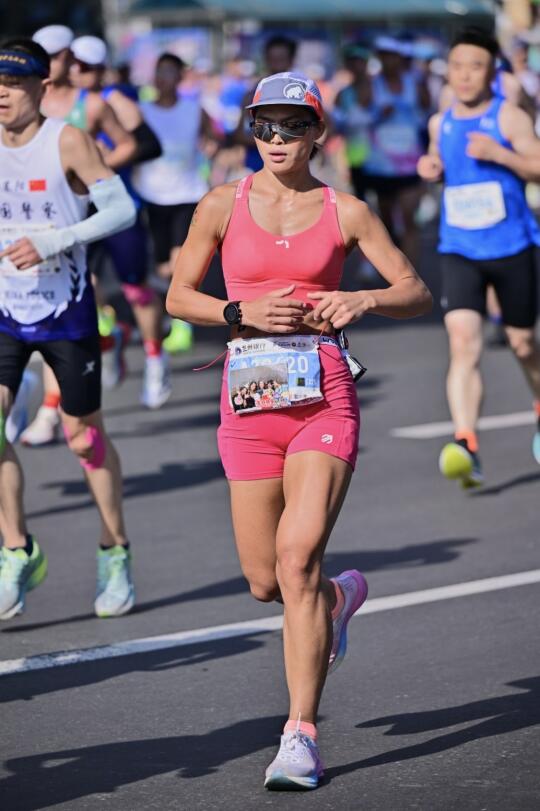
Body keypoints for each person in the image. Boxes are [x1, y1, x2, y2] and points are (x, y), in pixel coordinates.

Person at [166, 71, 431, 790]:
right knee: (266, 581)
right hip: (249, 403)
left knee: (297, 557)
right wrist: (237, 312)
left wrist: (363, 299)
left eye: (292, 125)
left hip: (323, 397)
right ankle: (336, 602)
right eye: (264, 125)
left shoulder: (347, 211)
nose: (276, 138)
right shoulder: (222, 204)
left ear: (318, 133)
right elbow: (178, 296)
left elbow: (415, 290)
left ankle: (300, 735)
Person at [0, 38, 136, 619]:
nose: (2, 94)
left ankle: (115, 549)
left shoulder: (68, 140)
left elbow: (122, 210)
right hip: (5, 309)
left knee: (84, 439)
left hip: (65, 309)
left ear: (43, 86)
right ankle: (17, 550)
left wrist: (56, 239)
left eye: (13, 84)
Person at [417, 26, 540, 487]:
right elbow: (437, 159)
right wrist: (431, 167)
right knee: (462, 341)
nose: (465, 75)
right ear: (448, 73)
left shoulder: (508, 118)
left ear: (492, 73)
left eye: (476, 66)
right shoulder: (440, 122)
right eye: (458, 66)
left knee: (523, 343)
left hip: (512, 246)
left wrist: (500, 155)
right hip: (460, 248)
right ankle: (466, 444)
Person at [18, 25, 138, 444]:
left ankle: (49, 412)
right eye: (47, 54)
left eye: (60, 55)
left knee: (65, 305)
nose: (56, 62)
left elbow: (129, 144)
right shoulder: (17, 103)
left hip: (81, 221)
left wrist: (93, 172)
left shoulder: (91, 104)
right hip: (25, 228)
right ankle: (106, 338)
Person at [69, 35, 171, 409]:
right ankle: (111, 337)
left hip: (118, 206)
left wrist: (98, 166)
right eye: (74, 64)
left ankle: (155, 360)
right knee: (84, 286)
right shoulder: (57, 100)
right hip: (77, 209)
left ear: (100, 70)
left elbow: (151, 145)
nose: (79, 72)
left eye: (87, 67)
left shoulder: (115, 101)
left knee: (135, 289)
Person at [132, 51, 217, 356]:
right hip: (152, 194)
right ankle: (177, 307)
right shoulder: (140, 110)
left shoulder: (195, 109)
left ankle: (183, 323)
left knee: (181, 258)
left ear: (180, 77)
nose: (163, 77)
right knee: (163, 266)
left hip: (187, 193)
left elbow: (213, 138)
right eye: (159, 71)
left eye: (170, 71)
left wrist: (211, 150)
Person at [353, 36, 430, 266]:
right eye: (384, 56)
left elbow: (428, 111)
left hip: (410, 163)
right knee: (386, 221)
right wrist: (378, 115)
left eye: (392, 56)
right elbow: (356, 118)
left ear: (400, 57)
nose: (388, 61)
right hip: (381, 165)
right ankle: (394, 260)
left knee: (408, 217)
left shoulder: (415, 84)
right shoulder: (371, 85)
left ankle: (411, 273)